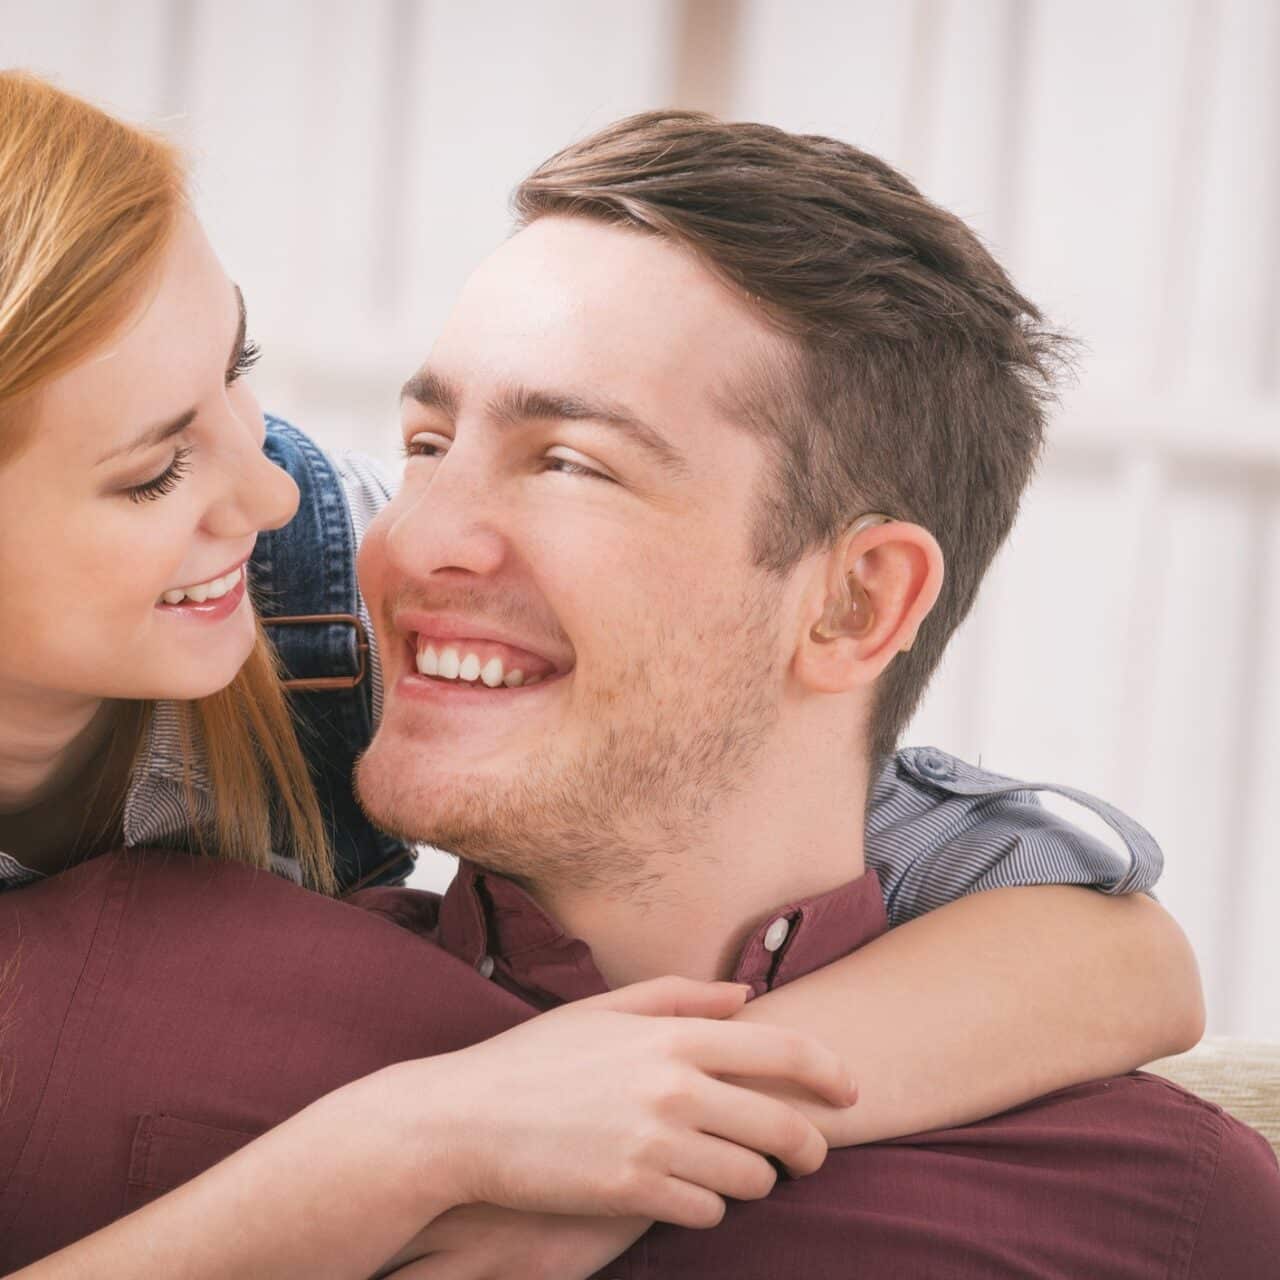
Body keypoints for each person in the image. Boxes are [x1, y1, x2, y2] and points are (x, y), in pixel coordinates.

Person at [0, 77, 1210, 1275]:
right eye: (154, 469)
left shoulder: (297, 582)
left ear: (855, 599)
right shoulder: (86, 997)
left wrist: (672, 1109)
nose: (403, 543)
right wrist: (413, 1146)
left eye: (569, 462)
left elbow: (1110, 941)